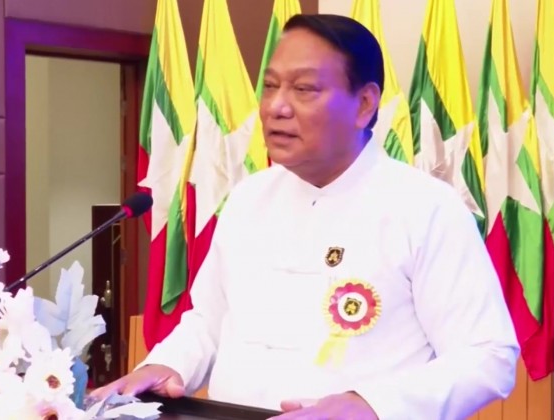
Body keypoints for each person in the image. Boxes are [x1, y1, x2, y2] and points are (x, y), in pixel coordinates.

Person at [92, 14, 519, 420]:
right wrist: (168, 364)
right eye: (270, 86)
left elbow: (488, 357)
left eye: (304, 89)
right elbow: (210, 321)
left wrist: (371, 405)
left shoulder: (425, 207)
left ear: (364, 104)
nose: (276, 107)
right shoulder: (248, 199)